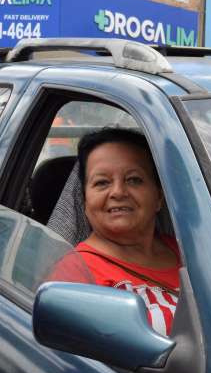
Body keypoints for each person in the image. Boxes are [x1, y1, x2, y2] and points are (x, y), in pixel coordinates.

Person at [48, 128, 181, 336]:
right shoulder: (75, 273)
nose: (118, 192)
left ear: (159, 197)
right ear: (84, 201)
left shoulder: (188, 253)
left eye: (134, 179)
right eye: (102, 182)